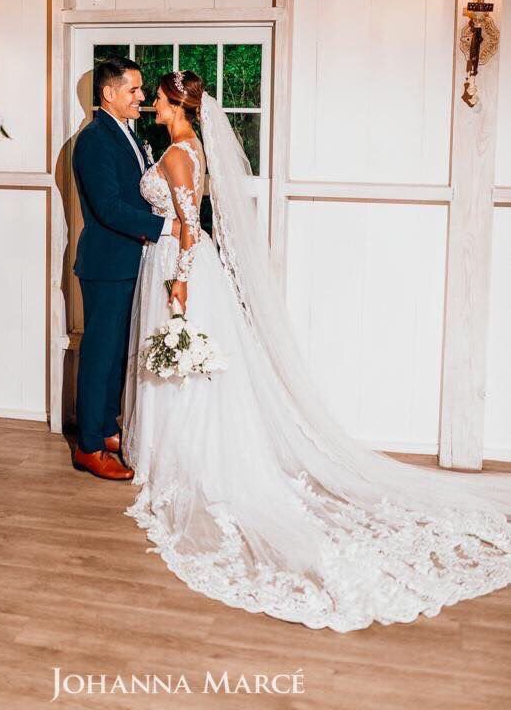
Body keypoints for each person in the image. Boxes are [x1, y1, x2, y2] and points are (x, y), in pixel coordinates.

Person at [122, 69, 511, 631]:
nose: (152, 105)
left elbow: (187, 227)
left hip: (180, 265)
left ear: (174, 105)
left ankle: (188, 462)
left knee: (185, 357)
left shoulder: (180, 154)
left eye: (156, 98)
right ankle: (172, 454)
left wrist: (180, 284)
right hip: (176, 261)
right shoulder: (188, 147)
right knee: (188, 364)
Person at [71, 56, 180, 481]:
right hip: (106, 264)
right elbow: (110, 208)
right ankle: (89, 447)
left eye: (140, 90)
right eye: (134, 90)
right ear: (108, 94)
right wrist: (166, 226)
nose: (142, 98)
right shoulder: (94, 140)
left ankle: (105, 427)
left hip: (132, 260)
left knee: (117, 352)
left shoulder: (126, 133)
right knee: (99, 354)